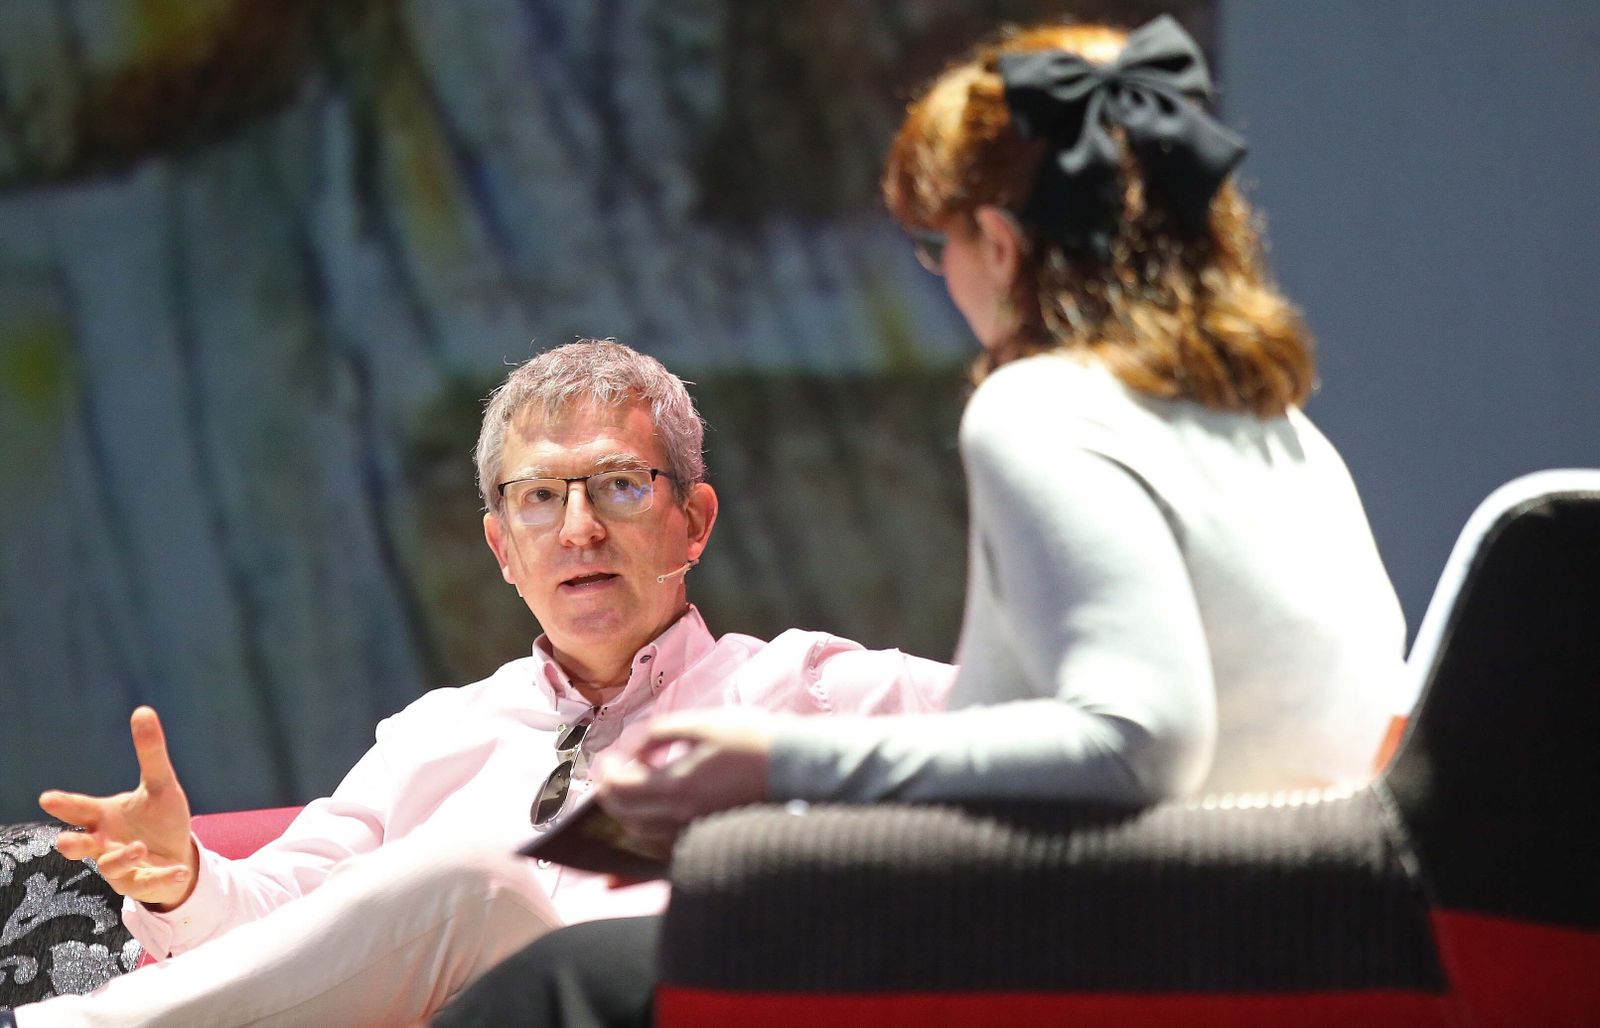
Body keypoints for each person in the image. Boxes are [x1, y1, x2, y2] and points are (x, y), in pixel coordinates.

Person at [434, 16, 1407, 1024]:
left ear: (998, 238)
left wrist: (770, 759)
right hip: (1279, 947)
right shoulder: (1282, 433)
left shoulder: (1041, 404)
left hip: (1102, 947)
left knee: (549, 990)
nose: (943, 277)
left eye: (937, 242)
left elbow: (1137, 738)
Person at [10, 340, 953, 1027]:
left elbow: (1074, 726)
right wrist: (181, 882)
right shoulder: (437, 732)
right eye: (541, 497)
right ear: (504, 549)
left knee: (474, 880)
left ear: (693, 522)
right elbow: (271, 929)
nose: (578, 528)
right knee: (462, 880)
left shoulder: (810, 689)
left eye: (620, 484)